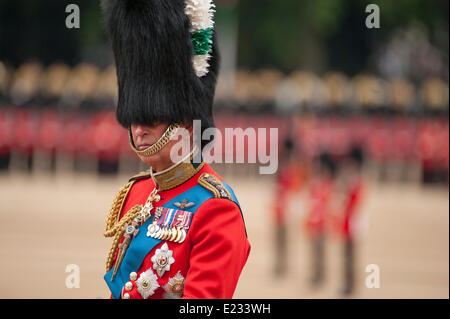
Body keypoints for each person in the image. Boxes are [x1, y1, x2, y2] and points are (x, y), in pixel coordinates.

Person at [101, 0, 250, 299]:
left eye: (152, 119)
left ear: (186, 123)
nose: (139, 129)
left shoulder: (216, 209)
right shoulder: (136, 193)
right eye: (135, 119)